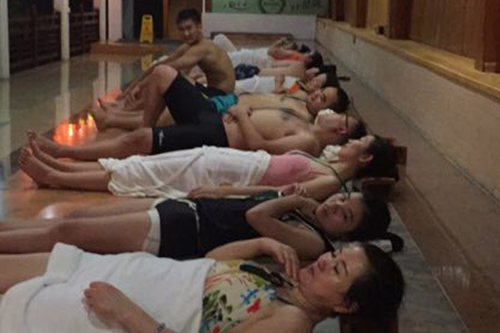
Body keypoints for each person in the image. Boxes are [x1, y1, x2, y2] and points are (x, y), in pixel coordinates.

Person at [0, 238, 403, 333]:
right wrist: (260, 244)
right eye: (335, 254)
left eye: (337, 269)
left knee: (17, 312)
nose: (325, 261)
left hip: (122, 308)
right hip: (129, 272)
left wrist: (124, 310)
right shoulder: (286, 283)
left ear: (345, 305)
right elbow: (210, 264)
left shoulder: (291, 325)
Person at [21, 73, 362, 162]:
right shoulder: (303, 115)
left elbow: (261, 147)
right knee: (163, 75)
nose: (333, 115)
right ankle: (139, 134)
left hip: (217, 135)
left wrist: (242, 115)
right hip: (215, 115)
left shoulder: (308, 142)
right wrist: (239, 110)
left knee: (140, 140)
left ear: (339, 134)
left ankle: (63, 151)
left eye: (342, 122)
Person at [0, 190, 401, 260]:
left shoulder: (314, 242)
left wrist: (295, 199)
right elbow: (252, 200)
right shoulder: (310, 215)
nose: (335, 207)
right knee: (74, 218)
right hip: (185, 210)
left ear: (348, 234)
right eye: (343, 199)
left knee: (67, 234)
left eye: (345, 215)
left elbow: (256, 217)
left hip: (184, 234)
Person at [18, 131, 398, 197]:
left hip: (224, 176)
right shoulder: (327, 165)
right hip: (223, 162)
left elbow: (280, 192)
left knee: (139, 175)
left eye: (358, 143)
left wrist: (223, 193)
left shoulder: (330, 181)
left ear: (365, 157)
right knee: (137, 164)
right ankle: (60, 165)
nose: (350, 141)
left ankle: (54, 176)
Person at [121, 8, 236, 102]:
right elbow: (163, 63)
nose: (186, 33)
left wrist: (140, 86)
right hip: (211, 91)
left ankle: (132, 108)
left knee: (168, 80)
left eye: (189, 28)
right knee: (169, 77)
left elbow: (168, 68)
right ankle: (130, 103)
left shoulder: (202, 48)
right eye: (181, 29)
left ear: (199, 27)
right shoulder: (189, 46)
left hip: (221, 97)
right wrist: (134, 85)